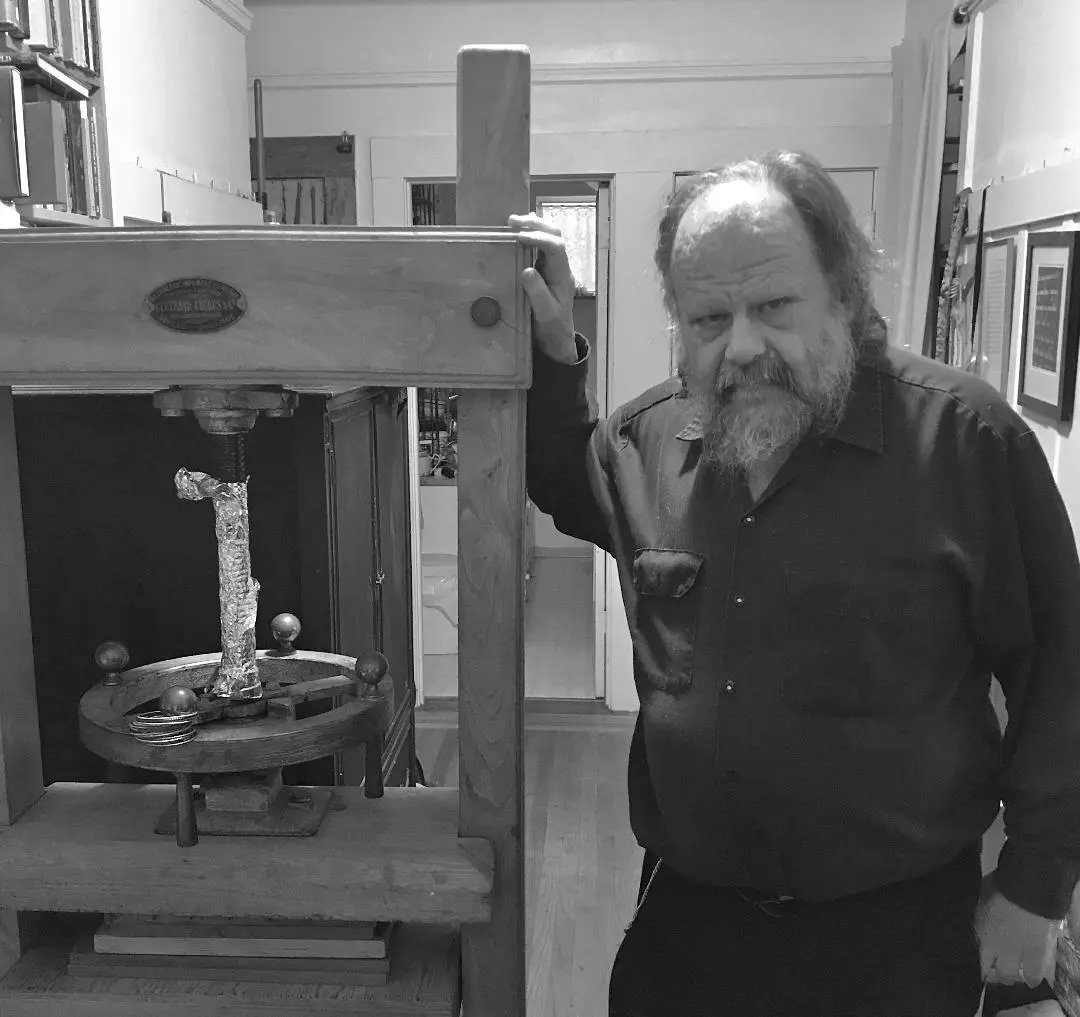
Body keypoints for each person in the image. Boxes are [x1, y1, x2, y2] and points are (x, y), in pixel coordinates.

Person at [511, 150, 1080, 1017]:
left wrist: (1036, 881)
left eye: (774, 306)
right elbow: (563, 478)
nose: (741, 346)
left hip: (893, 939)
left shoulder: (966, 442)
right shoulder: (647, 440)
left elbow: (1063, 667)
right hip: (689, 927)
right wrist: (555, 355)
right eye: (708, 317)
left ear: (844, 295)